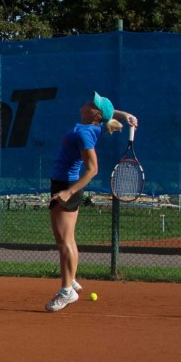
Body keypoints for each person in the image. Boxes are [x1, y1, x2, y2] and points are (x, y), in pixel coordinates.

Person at [46, 93, 138, 312]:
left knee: (65, 240)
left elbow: (93, 169)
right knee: (63, 239)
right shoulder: (90, 126)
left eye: (92, 104)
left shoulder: (85, 133)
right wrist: (124, 114)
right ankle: (72, 276)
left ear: (95, 114)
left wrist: (68, 192)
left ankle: (66, 291)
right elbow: (107, 113)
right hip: (62, 182)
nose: (87, 103)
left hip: (67, 185)